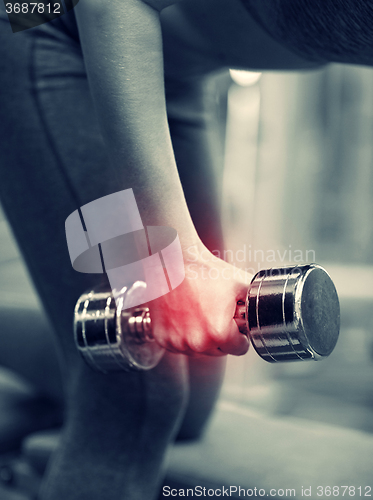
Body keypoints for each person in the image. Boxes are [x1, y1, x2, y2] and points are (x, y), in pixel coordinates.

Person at [0, 0, 370, 498]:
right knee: (137, 392)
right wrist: (178, 261)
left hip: (171, 73)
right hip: (50, 30)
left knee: (188, 398)